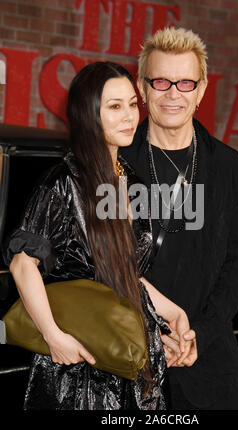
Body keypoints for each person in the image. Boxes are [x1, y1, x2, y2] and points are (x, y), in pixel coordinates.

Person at [4, 61, 195, 410]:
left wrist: (174, 313)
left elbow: (127, 276)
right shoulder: (62, 183)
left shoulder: (134, 182)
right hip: (79, 364)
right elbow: (22, 265)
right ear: (89, 115)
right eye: (114, 107)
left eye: (132, 104)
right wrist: (53, 337)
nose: (129, 116)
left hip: (129, 359)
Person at [119, 27, 238, 410]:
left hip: (210, 366)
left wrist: (198, 333)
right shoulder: (115, 162)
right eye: (161, 82)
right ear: (142, 90)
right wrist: (152, 334)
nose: (173, 93)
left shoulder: (229, 168)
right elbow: (100, 261)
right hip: (129, 366)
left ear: (202, 90)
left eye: (185, 82)